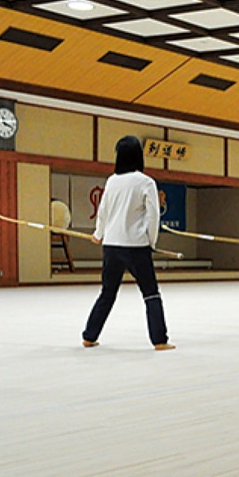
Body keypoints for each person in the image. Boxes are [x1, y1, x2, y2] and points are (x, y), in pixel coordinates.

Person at [82, 136, 174, 350]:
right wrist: (151, 241)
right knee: (151, 293)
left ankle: (89, 336)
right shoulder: (146, 182)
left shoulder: (112, 181)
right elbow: (153, 216)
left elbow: (103, 212)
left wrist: (98, 234)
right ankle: (159, 340)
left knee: (107, 293)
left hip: (111, 247)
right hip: (136, 247)